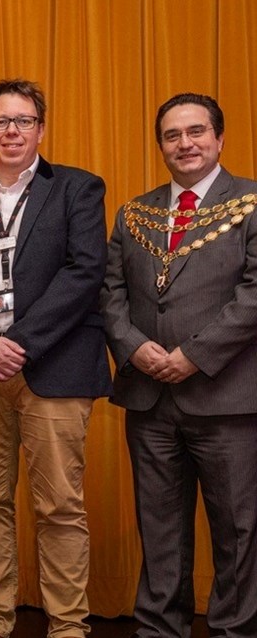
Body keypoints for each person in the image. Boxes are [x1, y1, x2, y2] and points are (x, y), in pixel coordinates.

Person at [0, 79, 111, 638]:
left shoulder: (78, 190)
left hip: (55, 369)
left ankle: (68, 625)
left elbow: (85, 272)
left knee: (60, 506)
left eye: (23, 121)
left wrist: (19, 344)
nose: (11, 131)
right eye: (0, 122)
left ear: (41, 129)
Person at [102, 93, 257, 637]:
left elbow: (255, 294)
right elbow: (109, 293)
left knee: (237, 533)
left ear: (219, 138)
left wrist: (195, 354)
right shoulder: (134, 211)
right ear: (161, 144)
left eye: (196, 132)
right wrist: (133, 346)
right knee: (159, 529)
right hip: (149, 399)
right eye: (172, 135)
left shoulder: (252, 202)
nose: (184, 144)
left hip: (229, 399)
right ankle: (158, 630)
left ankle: (236, 631)